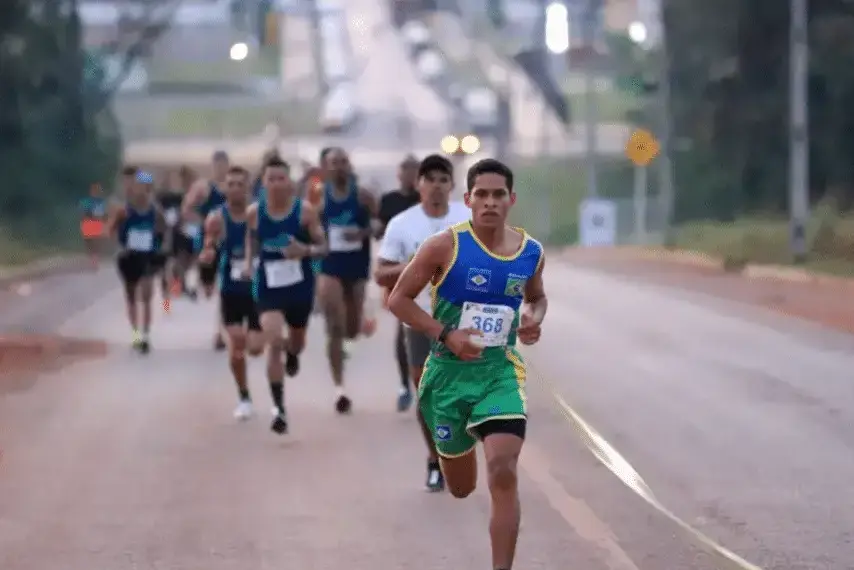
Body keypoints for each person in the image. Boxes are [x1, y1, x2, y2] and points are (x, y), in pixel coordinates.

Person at [387, 158, 547, 570]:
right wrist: (446, 333)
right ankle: (452, 454)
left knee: (503, 468)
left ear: (511, 199)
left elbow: (537, 296)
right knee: (461, 487)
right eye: (482, 194)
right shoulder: (444, 246)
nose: (490, 202)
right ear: (468, 199)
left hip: (499, 373)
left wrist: (534, 318)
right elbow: (398, 299)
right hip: (446, 377)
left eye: (498, 195)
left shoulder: (531, 252)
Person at [376, 154, 470, 491]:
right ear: (418, 184)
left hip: (463, 318)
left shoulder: (468, 218)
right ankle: (434, 459)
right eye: (429, 179)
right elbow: (380, 272)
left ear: (452, 185)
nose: (436, 185)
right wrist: (417, 267)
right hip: (419, 318)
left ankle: (458, 447)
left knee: (461, 393)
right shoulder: (402, 225)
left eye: (442, 179)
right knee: (428, 396)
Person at [246, 157, 327, 434]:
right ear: (264, 183)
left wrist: (305, 251)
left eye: (282, 178)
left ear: (289, 182)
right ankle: (279, 409)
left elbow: (323, 246)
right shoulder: (255, 213)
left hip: (300, 287)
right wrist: (248, 263)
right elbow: (250, 239)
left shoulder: (305, 212)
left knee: (296, 342)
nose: (277, 183)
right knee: (273, 341)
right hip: (269, 286)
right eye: (272, 178)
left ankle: (294, 353)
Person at [200, 166, 265, 420]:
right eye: (231, 184)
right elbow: (209, 249)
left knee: (257, 348)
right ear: (225, 188)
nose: (235, 189)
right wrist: (207, 263)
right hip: (231, 289)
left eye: (240, 184)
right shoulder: (217, 218)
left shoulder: (259, 214)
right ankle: (244, 396)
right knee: (237, 342)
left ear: (248, 187)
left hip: (259, 289)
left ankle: (256, 347)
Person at [317, 147, 379, 414]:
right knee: (334, 321)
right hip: (329, 263)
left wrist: (364, 232)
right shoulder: (318, 197)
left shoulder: (363, 196)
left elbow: (378, 226)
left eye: (343, 162)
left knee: (351, 327)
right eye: (334, 163)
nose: (339, 167)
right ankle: (339, 388)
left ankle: (351, 331)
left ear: (349, 166)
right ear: (326, 168)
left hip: (356, 263)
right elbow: (307, 224)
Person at [377, 154, 422, 412]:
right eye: (406, 170)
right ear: (399, 174)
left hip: (429, 272)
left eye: (415, 171)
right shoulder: (389, 202)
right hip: (399, 271)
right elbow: (381, 231)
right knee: (403, 327)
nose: (410, 176)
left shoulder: (427, 202)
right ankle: (405, 383)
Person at [108, 168, 169, 354]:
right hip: (129, 256)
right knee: (131, 296)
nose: (139, 189)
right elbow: (111, 230)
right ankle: (135, 334)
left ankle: (145, 335)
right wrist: (121, 242)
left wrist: (161, 249)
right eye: (136, 185)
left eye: (143, 186)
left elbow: (163, 231)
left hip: (148, 257)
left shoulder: (155, 211)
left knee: (147, 294)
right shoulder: (124, 210)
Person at [183, 151, 229, 350]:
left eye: (224, 164)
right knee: (209, 287)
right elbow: (186, 208)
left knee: (226, 286)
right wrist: (202, 221)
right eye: (218, 165)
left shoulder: (233, 187)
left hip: (228, 240)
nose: (221, 168)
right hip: (207, 240)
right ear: (213, 166)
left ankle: (220, 333)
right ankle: (199, 282)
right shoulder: (203, 187)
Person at [155, 171, 185, 308]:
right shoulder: (158, 198)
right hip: (162, 239)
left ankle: (176, 285)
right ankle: (166, 301)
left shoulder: (178, 197)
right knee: (163, 271)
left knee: (177, 265)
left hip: (176, 236)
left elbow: (186, 208)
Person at [79, 182, 108, 268]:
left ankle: (94, 260)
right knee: (93, 244)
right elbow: (103, 215)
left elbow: (82, 214)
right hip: (91, 224)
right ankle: (94, 260)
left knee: (93, 244)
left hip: (92, 224)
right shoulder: (97, 202)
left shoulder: (89, 202)